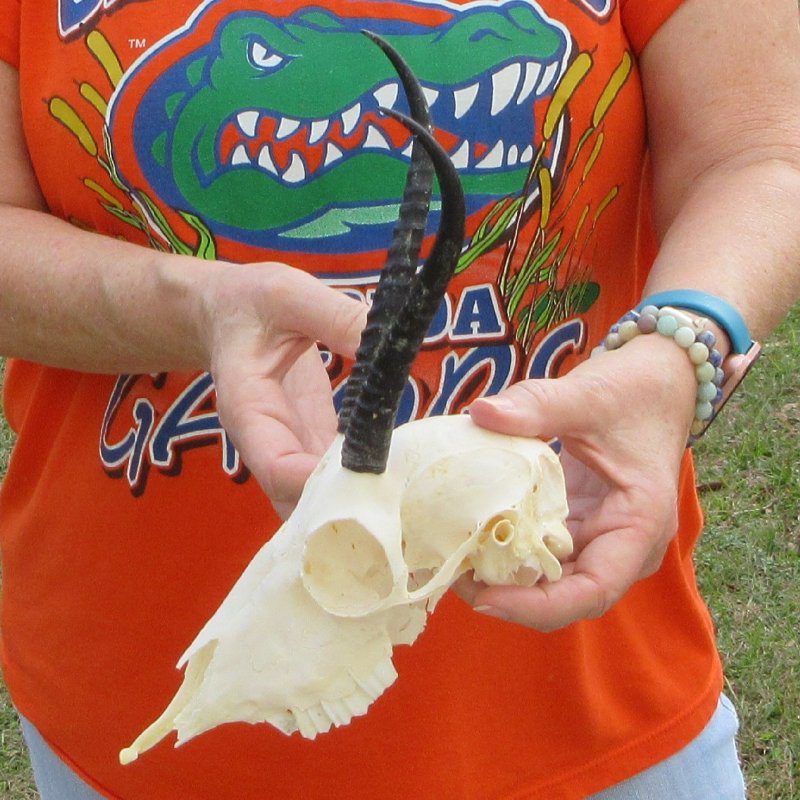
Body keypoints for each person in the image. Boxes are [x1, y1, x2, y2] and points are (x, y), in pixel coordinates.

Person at [1, 0, 799, 798]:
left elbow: (760, 154)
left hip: (594, 705)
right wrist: (193, 308)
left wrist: (678, 349)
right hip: (136, 704)